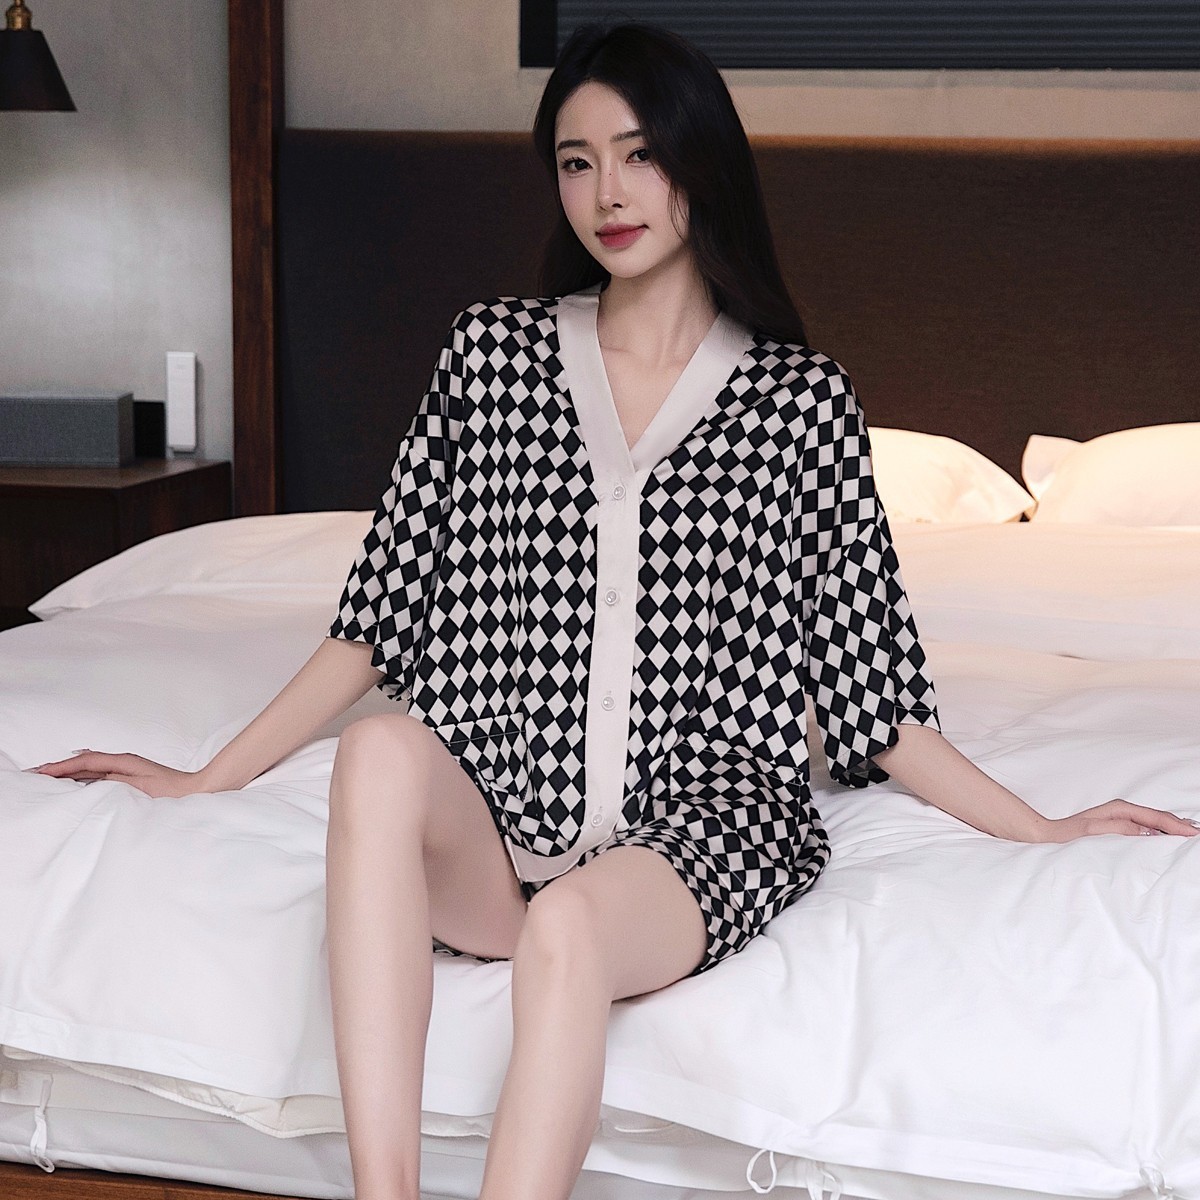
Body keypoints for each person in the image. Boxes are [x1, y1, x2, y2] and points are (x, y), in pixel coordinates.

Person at [33, 20, 1198, 1200]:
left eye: (640, 154)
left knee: (570, 930)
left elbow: (873, 699)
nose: (608, 193)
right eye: (577, 161)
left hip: (699, 831)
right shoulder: (492, 357)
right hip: (500, 817)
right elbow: (373, 621)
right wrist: (203, 780)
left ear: (701, 162)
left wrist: (1045, 830)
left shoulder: (799, 403)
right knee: (377, 751)